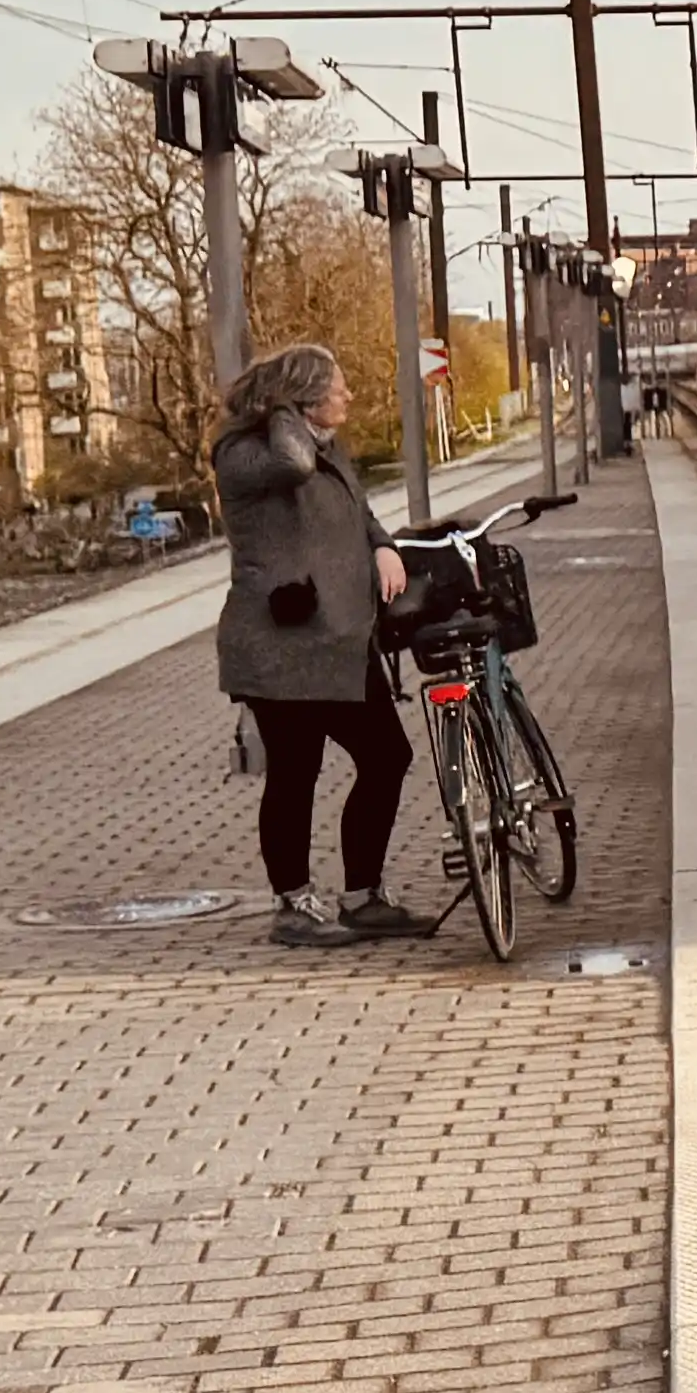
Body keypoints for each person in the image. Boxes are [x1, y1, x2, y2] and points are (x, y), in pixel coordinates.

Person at [211, 344, 439, 944]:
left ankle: (363, 895)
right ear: (302, 398)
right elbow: (293, 467)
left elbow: (360, 514)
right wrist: (285, 410)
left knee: (387, 756)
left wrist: (384, 545)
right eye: (337, 387)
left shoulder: (327, 447)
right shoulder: (246, 453)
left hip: (340, 640)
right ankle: (292, 904)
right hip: (280, 643)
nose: (349, 396)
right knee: (295, 773)